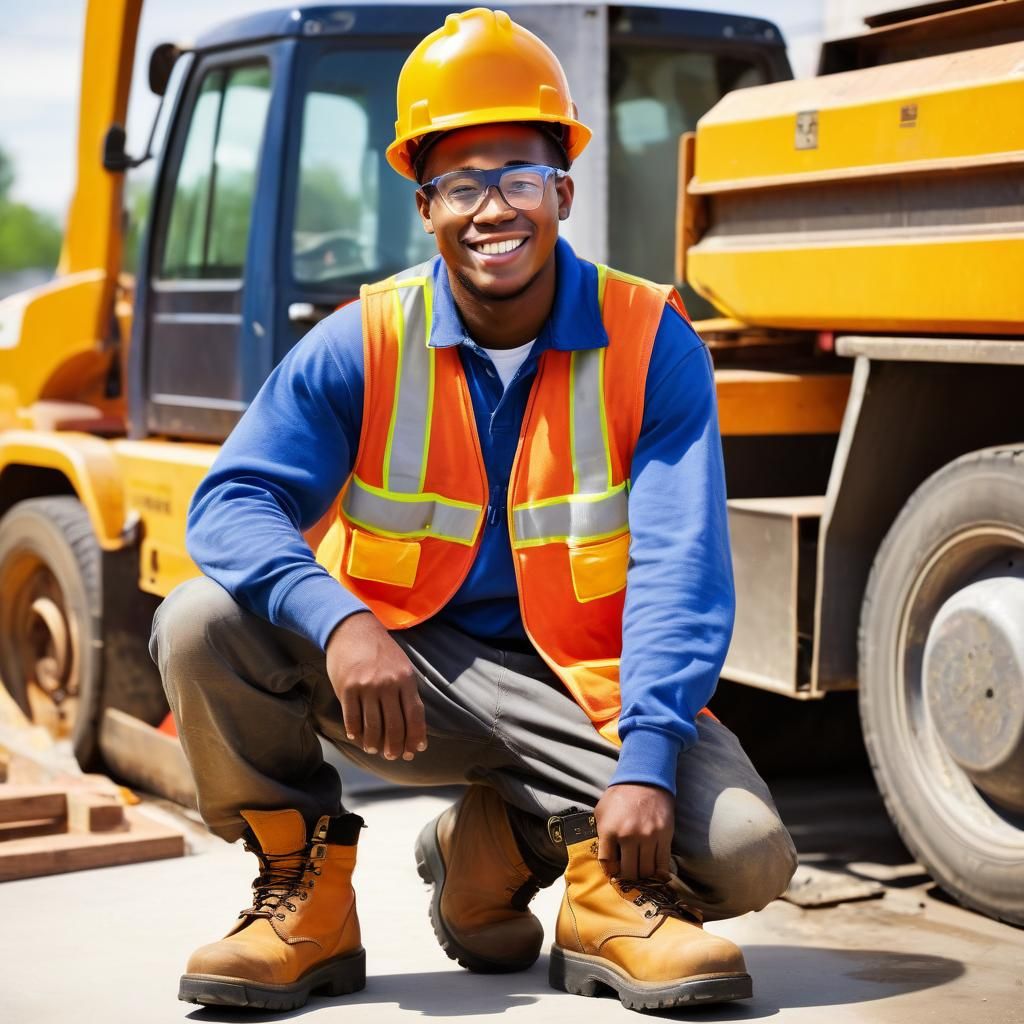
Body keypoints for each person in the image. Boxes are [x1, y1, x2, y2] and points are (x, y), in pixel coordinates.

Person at [150, 7, 797, 1013]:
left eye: (520, 179)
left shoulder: (649, 339)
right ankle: (305, 899)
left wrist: (646, 758)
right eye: (461, 184)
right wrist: (340, 621)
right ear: (425, 207)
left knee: (746, 852)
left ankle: (514, 853)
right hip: (404, 677)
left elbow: (681, 565)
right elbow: (233, 500)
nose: (493, 209)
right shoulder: (363, 339)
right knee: (199, 621)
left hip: (578, 689)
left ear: (563, 192)